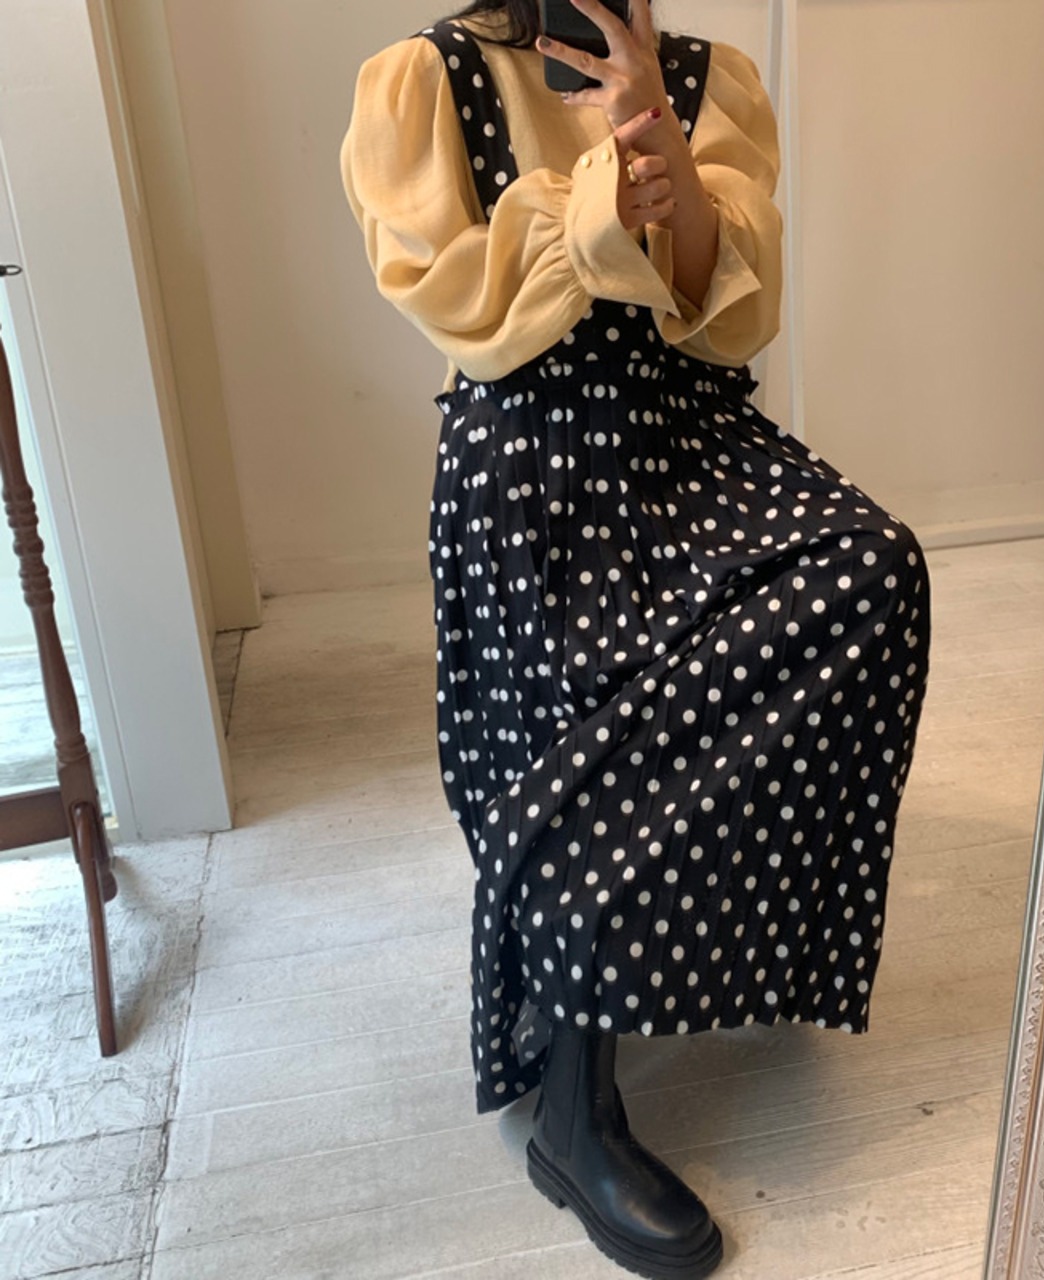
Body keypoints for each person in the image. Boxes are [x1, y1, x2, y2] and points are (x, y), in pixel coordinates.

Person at [340, 0, 931, 1274]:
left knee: (866, 571)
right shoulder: (425, 78)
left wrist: (661, 146)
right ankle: (570, 1098)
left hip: (686, 434)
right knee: (594, 688)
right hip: (527, 452)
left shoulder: (711, 80)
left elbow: (731, 320)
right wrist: (599, 188)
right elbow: (463, 306)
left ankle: (704, 942)